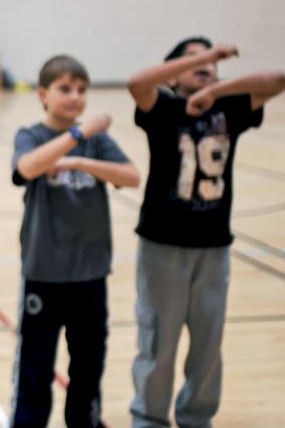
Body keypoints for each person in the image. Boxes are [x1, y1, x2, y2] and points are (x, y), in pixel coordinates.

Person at [127, 37, 285, 428]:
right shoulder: (163, 108)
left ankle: (196, 417)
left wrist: (217, 88)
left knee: (208, 344)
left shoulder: (230, 107)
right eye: (193, 59)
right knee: (159, 341)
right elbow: (137, 83)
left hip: (214, 249)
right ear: (173, 72)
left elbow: (279, 79)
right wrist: (212, 56)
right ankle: (148, 417)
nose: (206, 63)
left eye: (211, 59)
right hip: (162, 246)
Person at [10, 55, 140, 428]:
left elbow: (132, 176)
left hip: (89, 273)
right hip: (44, 273)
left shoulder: (98, 143)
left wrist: (81, 163)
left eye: (82, 90)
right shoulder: (32, 136)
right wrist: (79, 136)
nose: (75, 97)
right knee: (35, 366)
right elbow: (27, 167)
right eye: (65, 89)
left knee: (88, 364)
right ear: (42, 95)